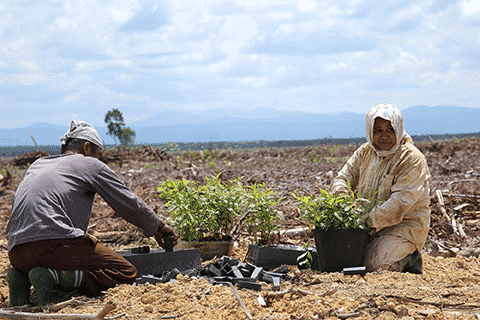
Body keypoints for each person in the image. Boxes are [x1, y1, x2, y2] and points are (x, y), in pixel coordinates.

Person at [6, 120, 178, 307]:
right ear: (87, 148)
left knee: (42, 260)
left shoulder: (38, 164)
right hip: (55, 245)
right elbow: (127, 202)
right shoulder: (89, 164)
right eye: (99, 154)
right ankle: (55, 275)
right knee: (125, 271)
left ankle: (19, 278)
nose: (100, 159)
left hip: (17, 252)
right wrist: (158, 227)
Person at [331, 103, 431, 273]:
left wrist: (364, 222)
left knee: (376, 264)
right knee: (340, 258)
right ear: (370, 132)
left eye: (390, 130)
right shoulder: (365, 152)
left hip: (404, 227)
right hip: (368, 227)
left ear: (398, 129)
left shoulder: (411, 158)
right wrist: (341, 197)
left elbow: (399, 204)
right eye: (378, 131)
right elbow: (342, 178)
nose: (384, 136)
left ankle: (410, 259)